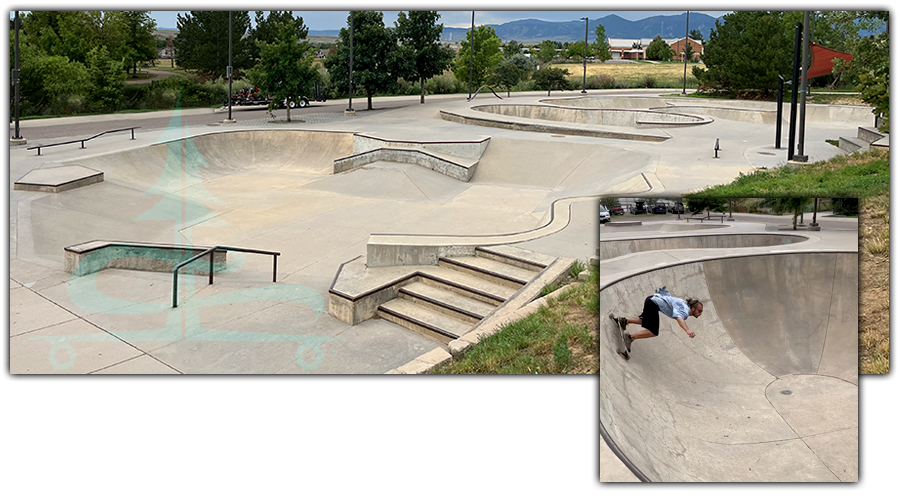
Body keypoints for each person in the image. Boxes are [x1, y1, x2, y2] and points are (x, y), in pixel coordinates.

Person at [613, 286, 703, 352]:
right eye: (699, 311)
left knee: (646, 320)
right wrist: (687, 330)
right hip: (654, 304)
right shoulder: (686, 311)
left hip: (651, 299)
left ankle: (624, 321)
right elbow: (679, 318)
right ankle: (630, 337)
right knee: (653, 332)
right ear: (693, 308)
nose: (700, 314)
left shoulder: (684, 303)